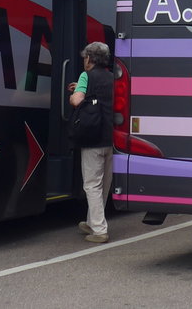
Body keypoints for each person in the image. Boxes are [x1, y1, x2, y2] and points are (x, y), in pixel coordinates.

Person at [68, 41, 114, 243]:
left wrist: (75, 92)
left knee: (91, 185)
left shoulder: (86, 75)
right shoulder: (114, 77)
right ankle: (92, 221)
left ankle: (99, 230)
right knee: (104, 184)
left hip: (92, 138)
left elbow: (77, 101)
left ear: (90, 58)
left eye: (85, 57)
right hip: (111, 139)